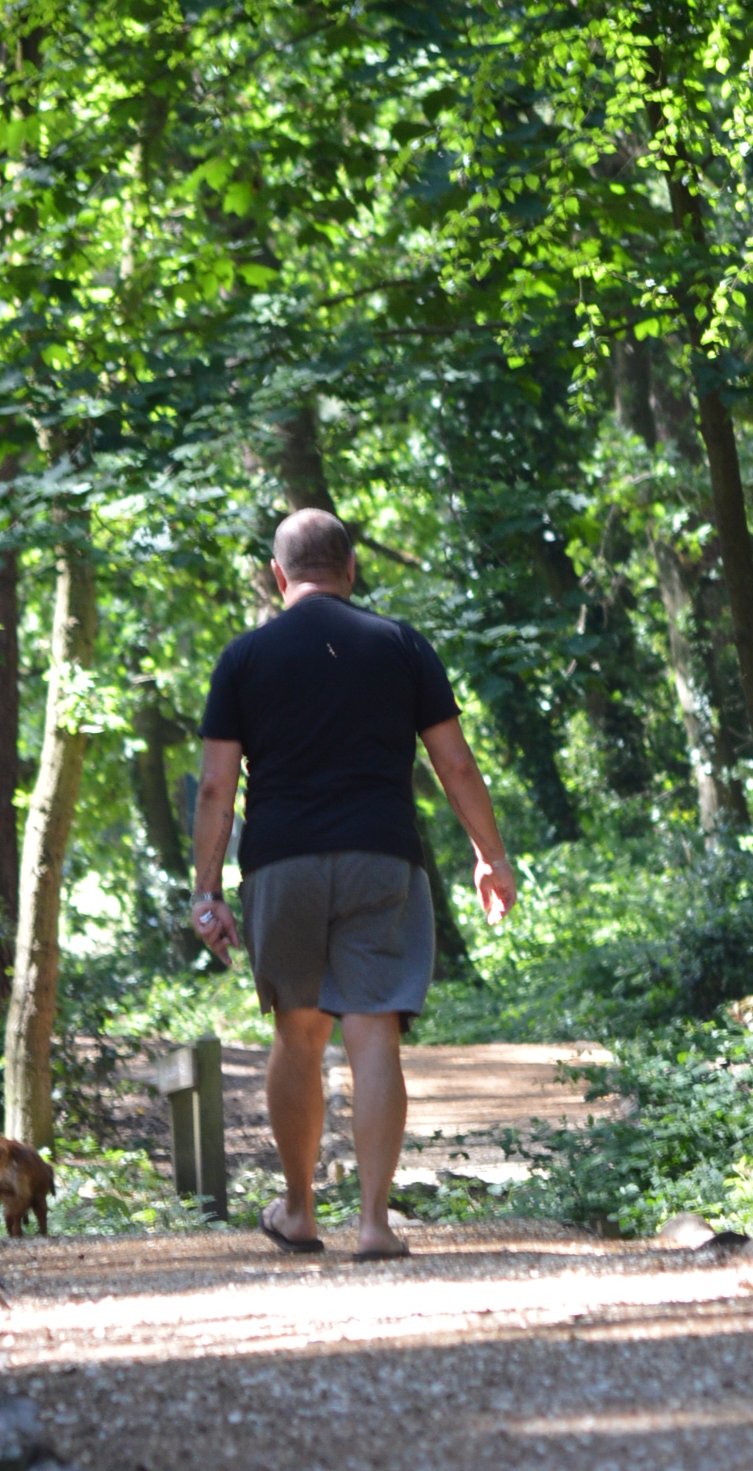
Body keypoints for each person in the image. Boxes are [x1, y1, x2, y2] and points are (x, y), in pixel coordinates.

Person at [191, 508, 518, 1258]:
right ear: (352, 569)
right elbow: (455, 763)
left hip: (283, 862)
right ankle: (374, 1225)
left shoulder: (244, 658)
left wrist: (207, 891)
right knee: (373, 1034)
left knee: (298, 1036)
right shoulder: (401, 646)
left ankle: (300, 1211)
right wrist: (489, 855)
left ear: (279, 576)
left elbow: (216, 789)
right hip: (382, 855)